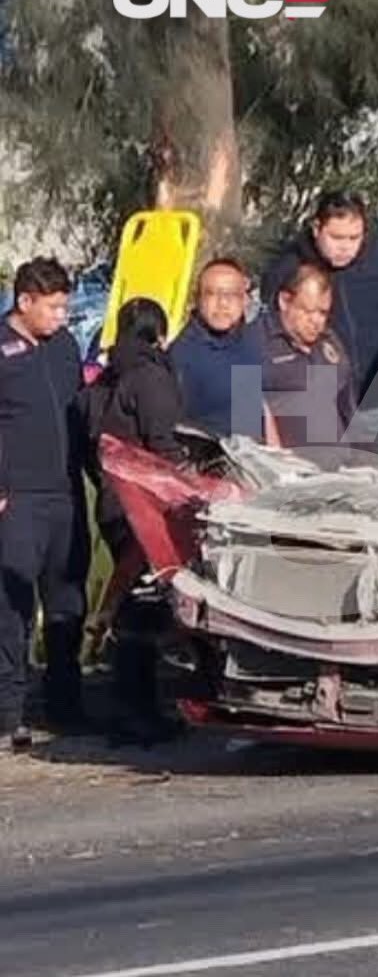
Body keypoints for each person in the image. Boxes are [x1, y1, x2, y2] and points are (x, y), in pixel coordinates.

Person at [81, 298, 185, 745]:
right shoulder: (151, 378)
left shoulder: (105, 379)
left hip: (111, 502)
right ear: (160, 335)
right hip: (145, 506)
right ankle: (142, 712)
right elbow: (164, 444)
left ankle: (131, 707)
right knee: (145, 608)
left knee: (129, 606)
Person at [0, 257, 89, 749]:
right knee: (12, 608)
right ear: (25, 301)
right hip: (18, 499)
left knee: (67, 601)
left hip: (65, 494)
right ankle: (8, 711)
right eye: (52, 308)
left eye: (65, 308)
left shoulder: (66, 348)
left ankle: (65, 704)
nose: (60, 317)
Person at [262, 191, 378, 452]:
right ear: (317, 228)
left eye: (354, 238)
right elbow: (273, 340)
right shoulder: (288, 271)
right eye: (336, 237)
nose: (345, 246)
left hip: (376, 400)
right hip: (319, 409)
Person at [262, 262, 357, 455]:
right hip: (291, 475)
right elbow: (243, 422)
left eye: (322, 312)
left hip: (343, 472)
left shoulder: (329, 341)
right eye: (307, 311)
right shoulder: (254, 343)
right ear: (284, 301)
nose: (316, 321)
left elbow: (346, 404)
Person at [170, 258, 264, 440]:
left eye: (231, 295)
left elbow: (250, 418)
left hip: (247, 455)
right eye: (211, 294)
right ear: (198, 299)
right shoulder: (182, 354)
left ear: (244, 300)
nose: (222, 303)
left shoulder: (249, 343)